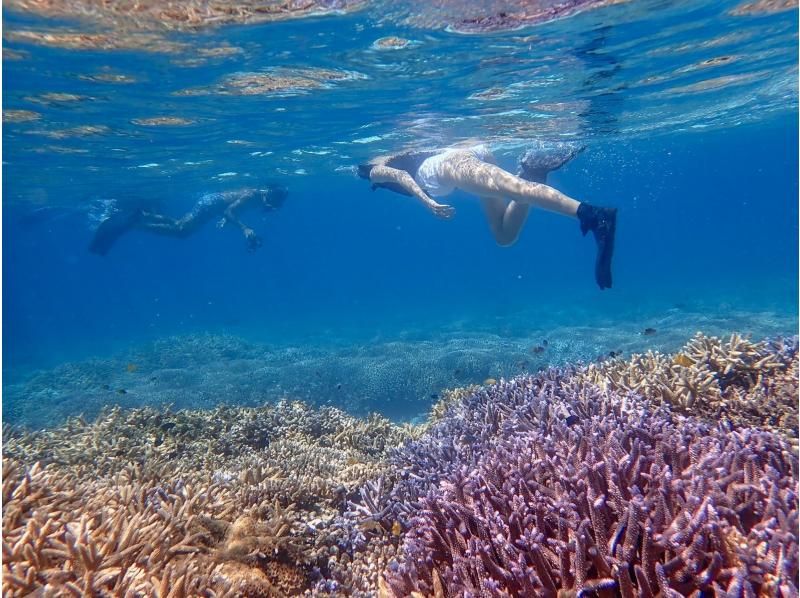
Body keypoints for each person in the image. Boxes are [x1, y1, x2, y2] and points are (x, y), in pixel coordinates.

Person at [357, 142, 617, 290]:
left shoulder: (373, 171)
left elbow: (401, 177)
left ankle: (591, 215)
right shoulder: (395, 157)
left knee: (511, 188)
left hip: (446, 166)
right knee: (504, 235)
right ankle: (534, 173)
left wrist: (426, 202)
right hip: (465, 155)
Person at [89, 186, 288, 255]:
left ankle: (144, 216)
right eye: (272, 204)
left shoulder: (255, 196)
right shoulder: (253, 195)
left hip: (212, 203)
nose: (269, 208)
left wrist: (227, 219)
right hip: (211, 204)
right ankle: (136, 222)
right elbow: (230, 211)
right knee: (182, 231)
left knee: (180, 226)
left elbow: (230, 210)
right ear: (270, 196)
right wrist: (244, 228)